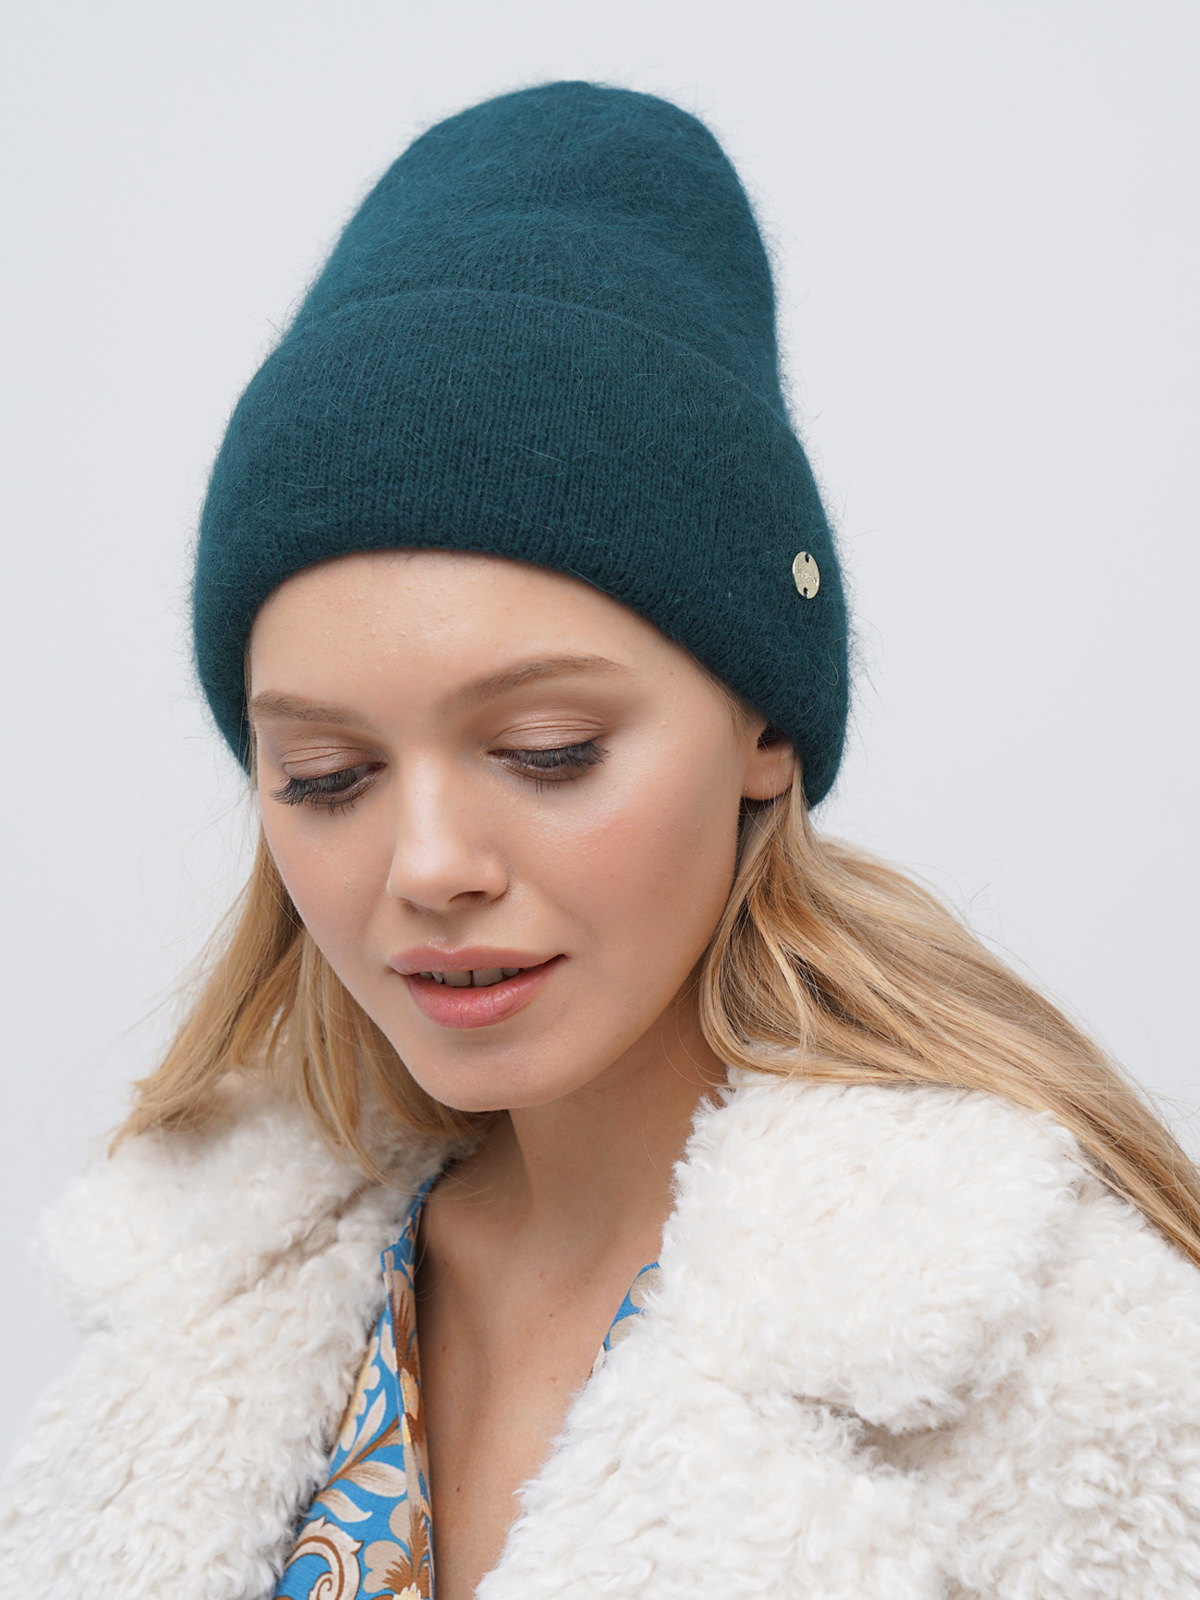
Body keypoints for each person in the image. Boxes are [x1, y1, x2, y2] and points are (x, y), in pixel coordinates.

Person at [2, 79, 1198, 1600]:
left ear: (764, 727)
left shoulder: (1076, 1372)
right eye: (325, 775)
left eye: (547, 751)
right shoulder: (194, 1321)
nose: (429, 865)